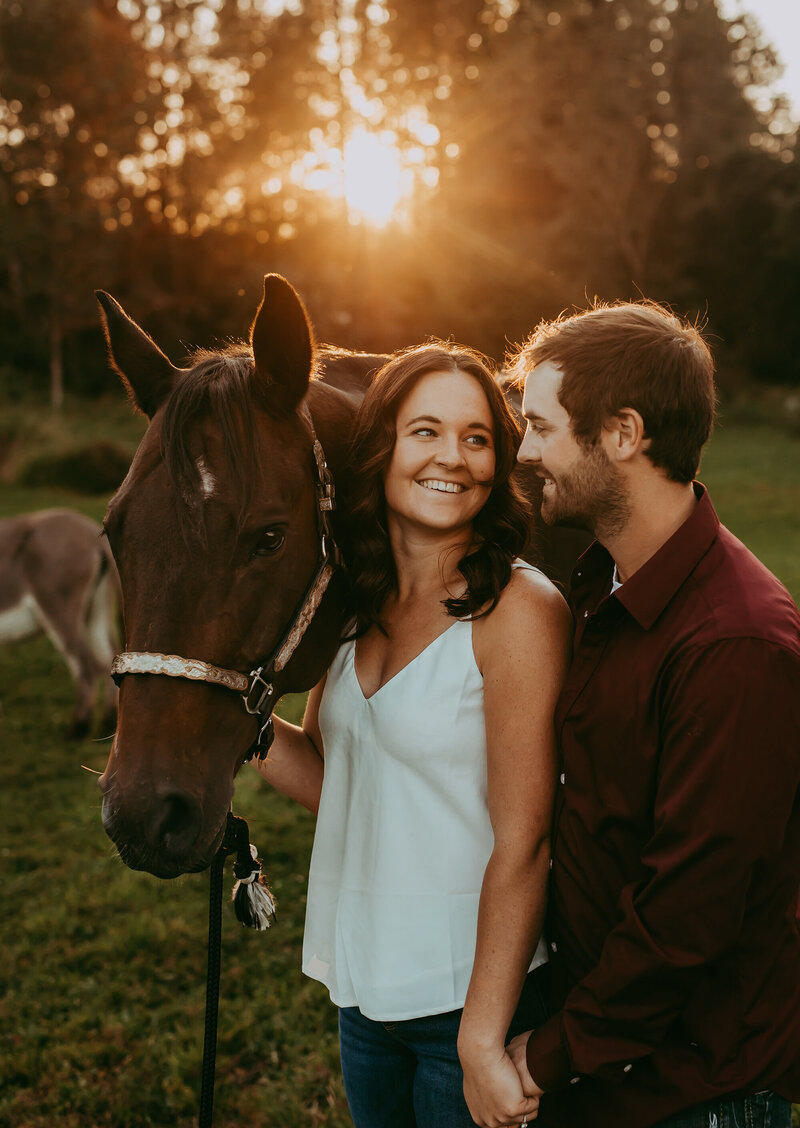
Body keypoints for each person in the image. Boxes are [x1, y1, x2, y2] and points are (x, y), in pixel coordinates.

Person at [254, 343, 571, 1128]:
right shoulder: (352, 600)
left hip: (471, 1001)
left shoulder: (519, 611)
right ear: (383, 448)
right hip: (365, 992)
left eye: (477, 438)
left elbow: (525, 841)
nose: (453, 459)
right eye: (425, 431)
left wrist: (480, 1040)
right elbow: (345, 788)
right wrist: (238, 718)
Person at [503, 301, 800, 1128]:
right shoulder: (607, 588)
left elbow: (689, 915)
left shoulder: (735, 646)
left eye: (541, 427)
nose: (524, 453)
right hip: (609, 1067)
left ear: (624, 434)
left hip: (695, 1094)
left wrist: (550, 1053)